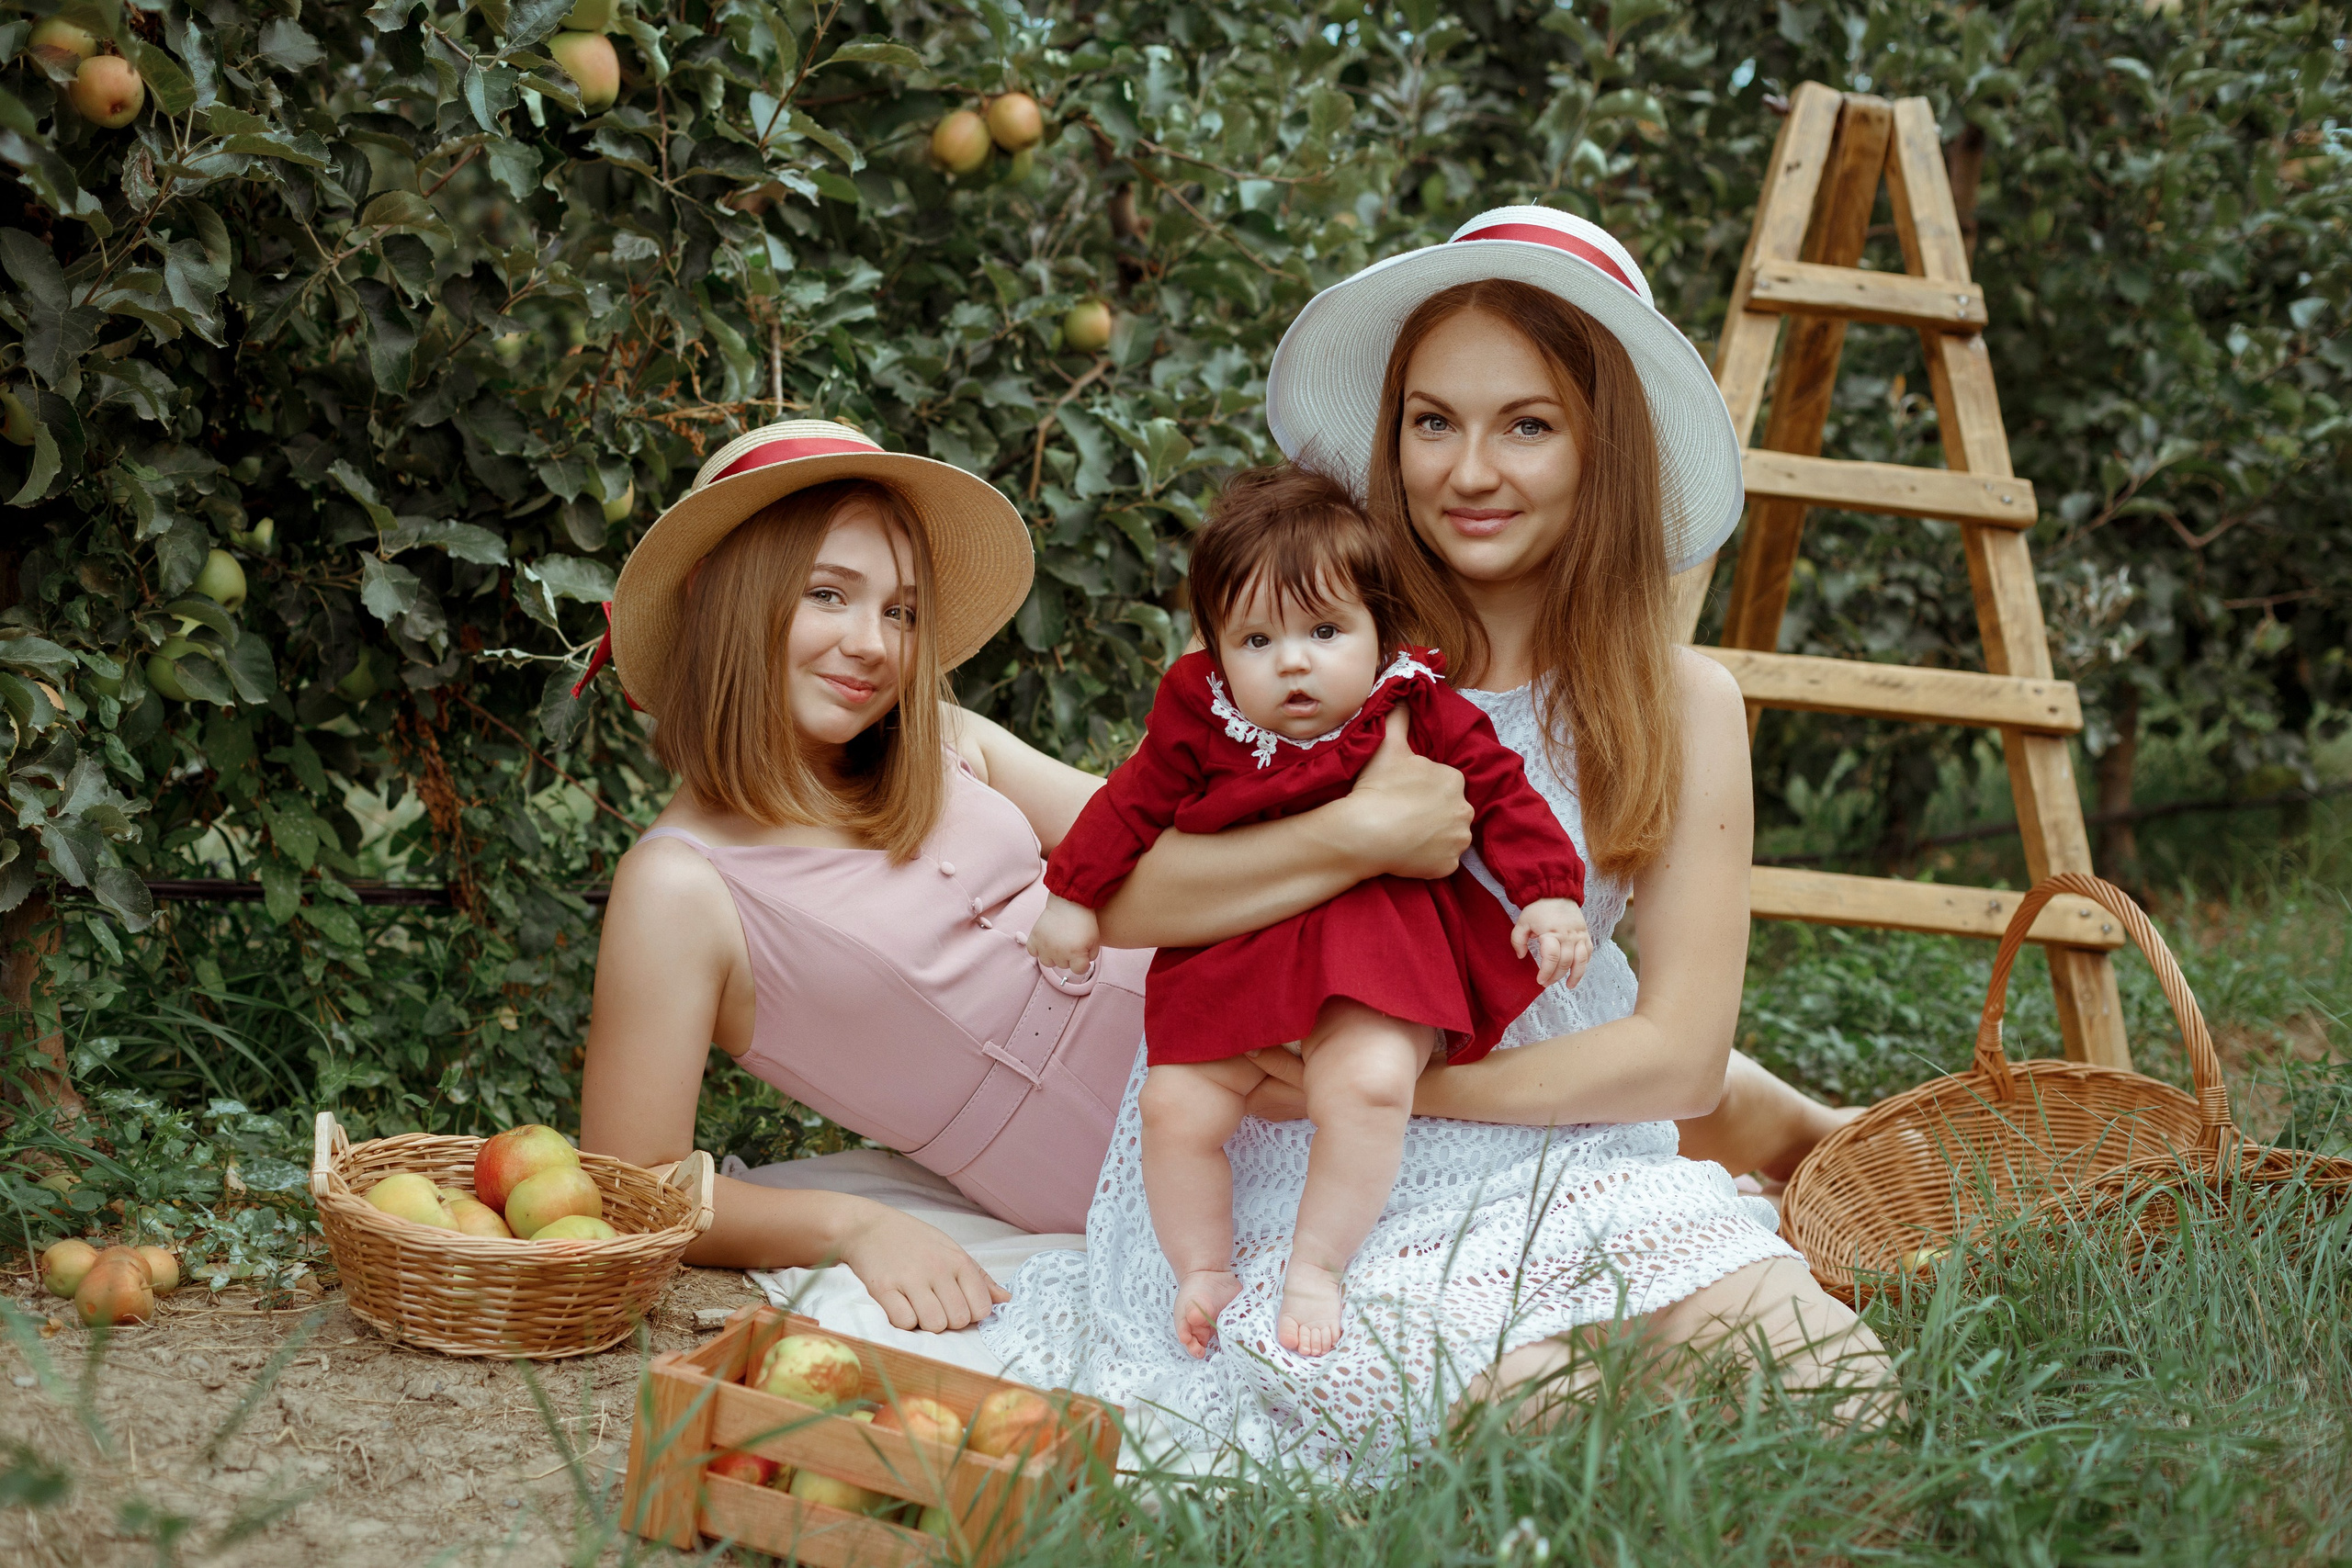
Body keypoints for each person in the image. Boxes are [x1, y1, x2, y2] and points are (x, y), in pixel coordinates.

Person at [1027, 464, 1591, 1358]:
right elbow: (1128, 803)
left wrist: (1550, 892)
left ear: (1379, 630)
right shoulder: (1200, 718)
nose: (1292, 660)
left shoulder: (1411, 705)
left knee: (1367, 1084)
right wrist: (1072, 894)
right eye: (1255, 640)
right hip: (1236, 956)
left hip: (1370, 953)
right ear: (1213, 651)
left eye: (1325, 630)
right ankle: (1202, 1267)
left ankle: (1315, 1262)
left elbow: (1504, 794)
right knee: (1175, 1109)